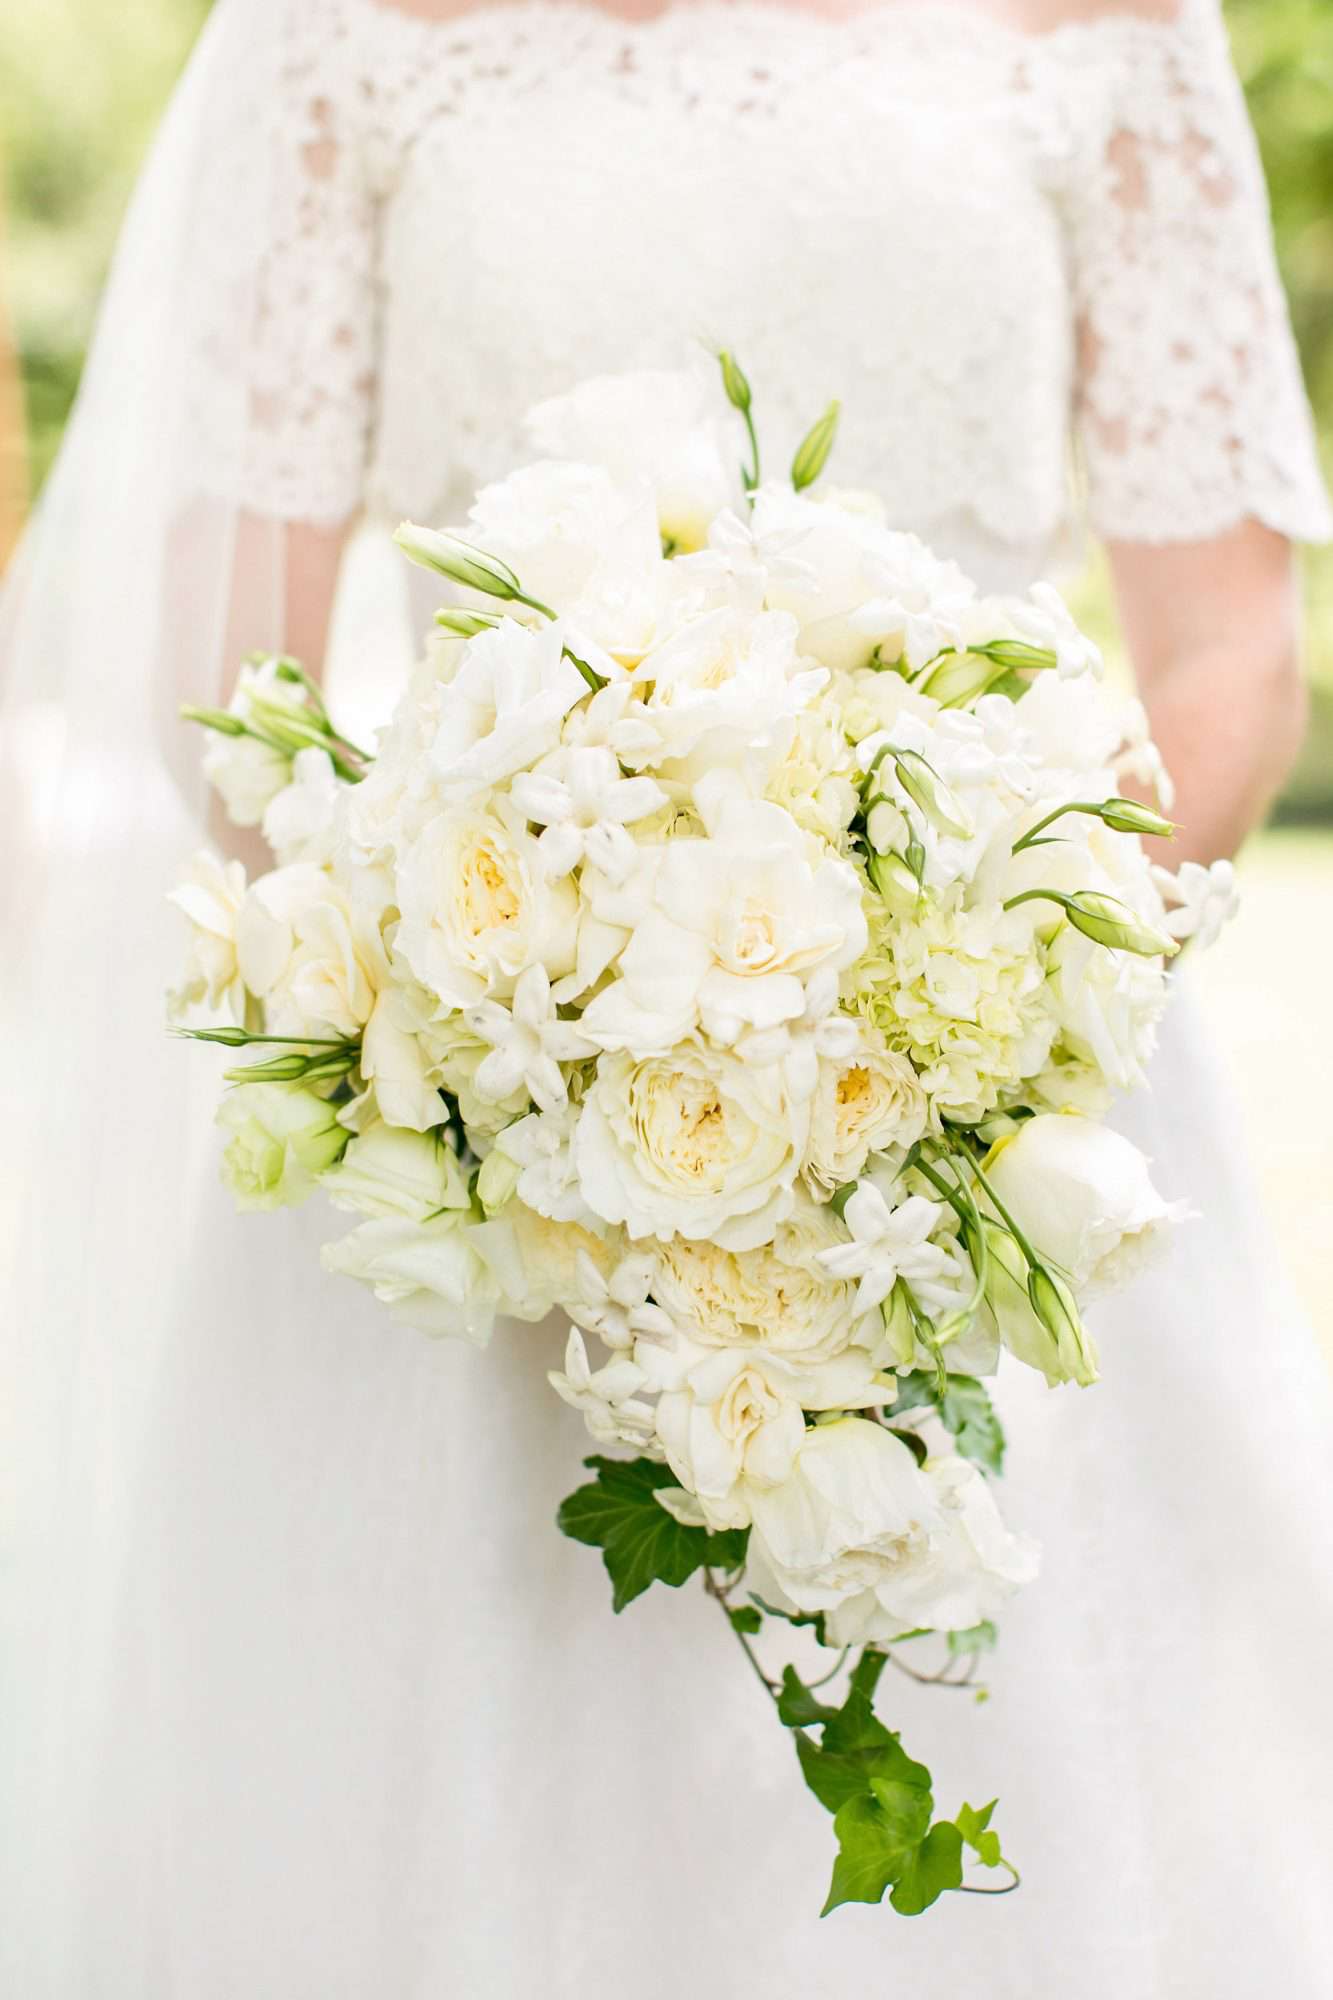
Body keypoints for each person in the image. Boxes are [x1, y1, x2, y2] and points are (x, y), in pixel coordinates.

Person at [3, 0, 1331, 1991]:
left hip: (996, 1123)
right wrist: (497, 997)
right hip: (481, 1119)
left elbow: (1228, 653)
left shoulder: (1108, 23)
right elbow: (233, 678)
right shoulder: (345, 33)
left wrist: (965, 1002)